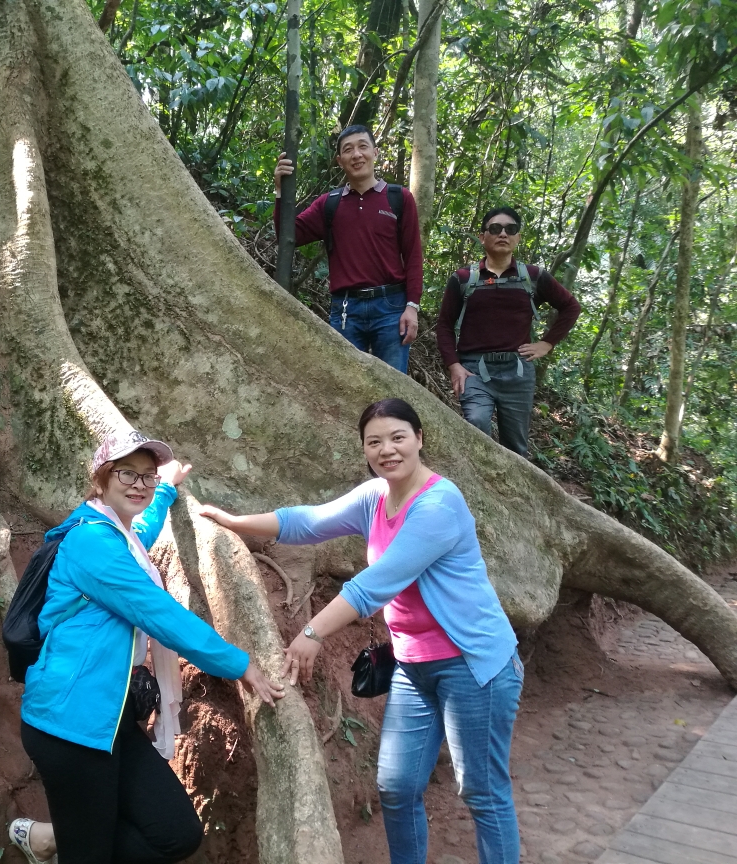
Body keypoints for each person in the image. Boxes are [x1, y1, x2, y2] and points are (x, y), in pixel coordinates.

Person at [199, 399, 524, 864]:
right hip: (413, 666)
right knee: (396, 786)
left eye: (397, 437)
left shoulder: (439, 504)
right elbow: (307, 522)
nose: (387, 450)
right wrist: (234, 522)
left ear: (419, 439)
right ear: (365, 450)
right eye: (375, 442)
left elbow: (377, 583)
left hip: (473, 665)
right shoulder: (375, 497)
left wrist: (312, 632)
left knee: (481, 791)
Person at [8, 430, 285, 864]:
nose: (139, 484)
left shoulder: (117, 533)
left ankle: (55, 838)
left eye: (147, 476)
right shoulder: (91, 543)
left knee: (176, 833)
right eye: (126, 474)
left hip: (111, 719)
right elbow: (160, 614)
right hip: (69, 725)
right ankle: (70, 841)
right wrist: (239, 665)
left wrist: (168, 489)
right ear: (100, 479)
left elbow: (141, 532)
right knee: (91, 853)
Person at [273, 125, 423, 373]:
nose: (356, 155)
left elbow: (413, 256)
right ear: (339, 160)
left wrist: (412, 307)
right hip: (345, 310)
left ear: (375, 152)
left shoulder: (399, 198)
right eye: (348, 150)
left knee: (394, 388)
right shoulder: (329, 204)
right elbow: (288, 236)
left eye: (363, 147)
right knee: (343, 383)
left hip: (391, 309)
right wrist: (280, 190)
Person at [435, 206, 581, 457]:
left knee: (516, 447)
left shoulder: (532, 277)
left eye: (510, 229)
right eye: (495, 228)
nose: (503, 234)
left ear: (518, 238)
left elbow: (571, 307)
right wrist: (454, 365)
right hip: (474, 370)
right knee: (476, 424)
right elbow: (445, 325)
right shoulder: (463, 278)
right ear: (482, 237)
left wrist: (547, 343)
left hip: (518, 372)